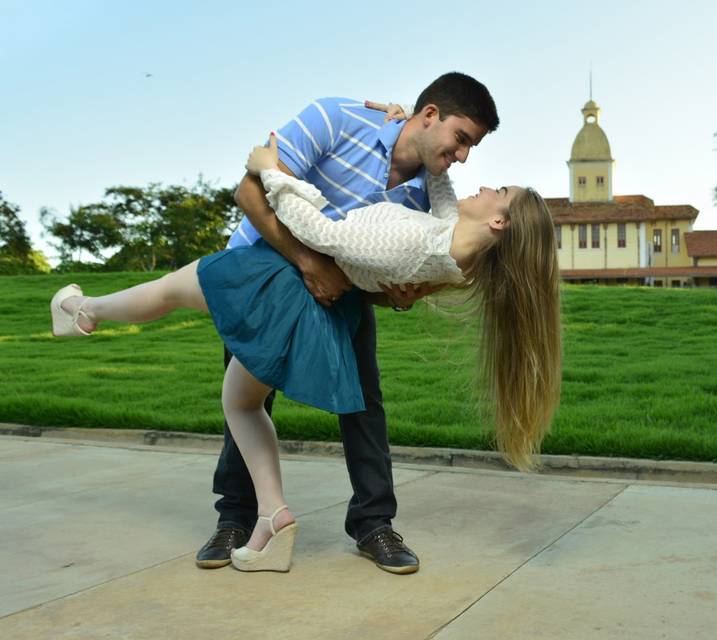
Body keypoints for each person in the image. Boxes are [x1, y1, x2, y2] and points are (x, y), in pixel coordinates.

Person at [50, 134, 562, 573]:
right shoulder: (457, 249)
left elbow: (321, 234)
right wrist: (429, 146)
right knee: (242, 401)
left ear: (500, 223)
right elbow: (445, 195)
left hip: (282, 285)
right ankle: (272, 520)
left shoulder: (414, 239)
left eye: (500, 192)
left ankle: (81, 308)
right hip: (320, 309)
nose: (483, 183)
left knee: (168, 292)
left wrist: (270, 171)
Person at [215, 72, 498, 574]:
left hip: (339, 292)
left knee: (365, 400)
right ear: (429, 114)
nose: (462, 156)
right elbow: (251, 192)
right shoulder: (335, 117)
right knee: (249, 397)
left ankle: (374, 524)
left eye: (470, 147)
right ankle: (234, 519)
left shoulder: (426, 196)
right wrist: (308, 263)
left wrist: (399, 293)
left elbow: (389, 266)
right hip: (261, 272)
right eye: (461, 139)